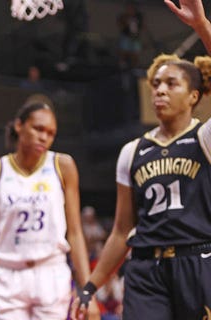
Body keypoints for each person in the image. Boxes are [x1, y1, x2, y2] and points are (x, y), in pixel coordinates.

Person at [73, 2, 211, 319]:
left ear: (194, 96)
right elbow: (122, 232)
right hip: (146, 269)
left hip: (198, 261)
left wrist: (202, 26)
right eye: (156, 84)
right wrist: (91, 286)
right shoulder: (132, 151)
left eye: (171, 83)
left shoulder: (204, 138)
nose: (160, 90)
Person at [0, 102, 98, 319]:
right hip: (8, 274)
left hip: (51, 271)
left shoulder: (63, 165)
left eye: (51, 133)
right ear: (19, 126)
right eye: (38, 129)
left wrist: (88, 291)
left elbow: (75, 233)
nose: (44, 137)